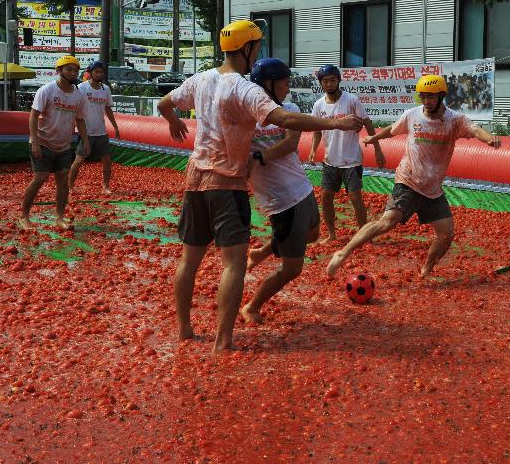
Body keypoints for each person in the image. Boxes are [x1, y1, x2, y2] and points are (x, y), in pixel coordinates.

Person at [156, 20, 364, 351]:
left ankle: (184, 329)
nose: (258, 52)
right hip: (227, 184)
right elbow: (284, 120)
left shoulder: (201, 80)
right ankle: (223, 340)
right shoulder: (244, 88)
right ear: (247, 49)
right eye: (257, 47)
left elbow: (164, 103)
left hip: (194, 180)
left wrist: (173, 122)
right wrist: (335, 122)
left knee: (189, 260)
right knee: (233, 264)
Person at [327, 75, 500, 278]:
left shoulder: (455, 120)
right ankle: (343, 252)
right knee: (387, 221)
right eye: (423, 97)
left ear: (441, 96)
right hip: (408, 181)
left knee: (446, 234)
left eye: (431, 97)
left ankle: (426, 269)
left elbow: (475, 129)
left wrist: (488, 138)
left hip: (433, 190)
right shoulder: (412, 115)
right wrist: (375, 137)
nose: (427, 102)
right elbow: (392, 129)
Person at [239, 58, 320, 324]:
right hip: (280, 199)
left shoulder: (289, 108)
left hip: (301, 186)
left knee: (313, 233)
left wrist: (262, 155)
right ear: (269, 84)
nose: (288, 87)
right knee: (292, 268)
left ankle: (262, 252)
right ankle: (251, 306)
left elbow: (290, 143)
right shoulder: (245, 117)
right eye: (285, 82)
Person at [308, 64, 386, 243]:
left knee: (355, 197)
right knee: (326, 197)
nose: (329, 84)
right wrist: (313, 150)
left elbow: (367, 123)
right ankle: (331, 234)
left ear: (338, 80)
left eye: (332, 80)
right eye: (325, 81)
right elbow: (317, 130)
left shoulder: (351, 100)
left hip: (351, 160)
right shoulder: (318, 105)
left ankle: (363, 235)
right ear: (321, 83)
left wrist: (377, 148)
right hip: (330, 161)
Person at [20, 55, 90, 229]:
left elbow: (80, 120)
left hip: (63, 144)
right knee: (40, 178)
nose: (73, 73)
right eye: (69, 69)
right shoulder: (47, 90)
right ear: (59, 71)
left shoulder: (79, 96)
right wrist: (34, 141)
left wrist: (85, 140)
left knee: (62, 180)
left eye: (76, 70)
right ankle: (24, 217)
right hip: (43, 141)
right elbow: (34, 115)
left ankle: (59, 217)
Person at [69, 61, 120, 194]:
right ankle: (69, 186)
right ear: (90, 73)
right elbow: (74, 108)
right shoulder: (81, 88)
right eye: (96, 71)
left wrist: (115, 126)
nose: (99, 74)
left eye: (101, 72)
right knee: (79, 160)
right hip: (85, 131)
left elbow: (108, 109)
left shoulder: (106, 89)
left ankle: (106, 186)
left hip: (101, 131)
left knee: (107, 160)